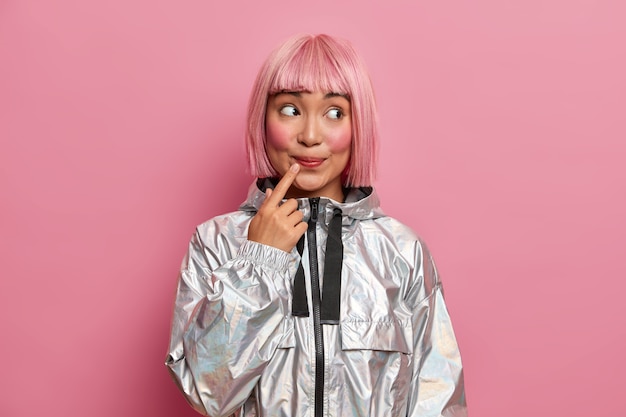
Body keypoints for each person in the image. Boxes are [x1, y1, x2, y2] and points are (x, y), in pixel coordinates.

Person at [165, 34, 467, 417]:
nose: (309, 136)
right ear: (263, 119)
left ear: (359, 125)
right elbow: (209, 393)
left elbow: (438, 401)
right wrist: (260, 259)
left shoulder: (402, 252)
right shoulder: (216, 243)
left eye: (335, 112)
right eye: (290, 110)